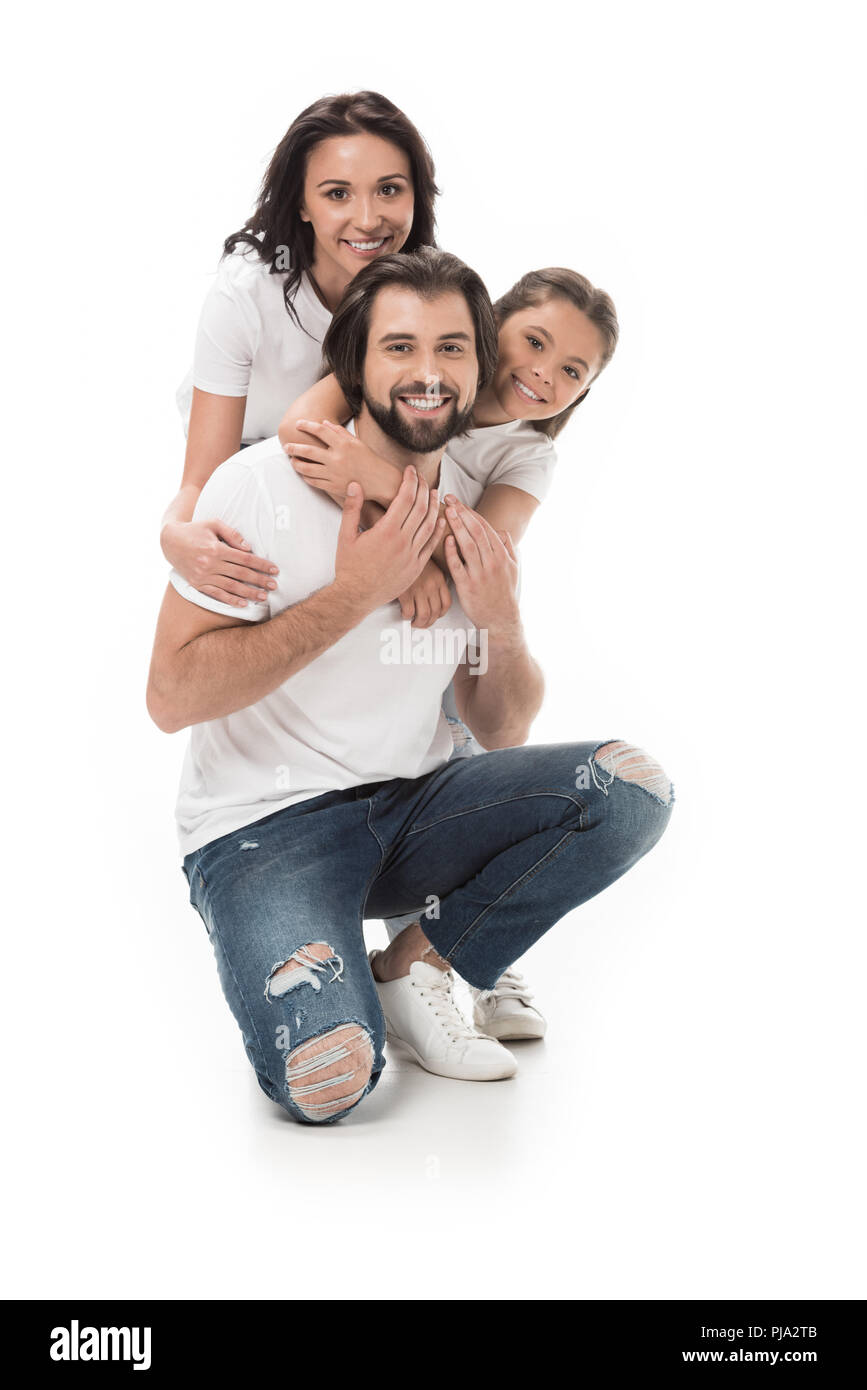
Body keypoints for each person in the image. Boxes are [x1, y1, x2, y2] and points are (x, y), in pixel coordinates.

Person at [146, 247, 673, 1124]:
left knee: (629, 791)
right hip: (264, 832)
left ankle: (417, 964)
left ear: (477, 367)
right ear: (355, 359)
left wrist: (497, 615)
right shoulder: (260, 487)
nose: (427, 373)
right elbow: (169, 700)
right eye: (398, 349)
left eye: (450, 351)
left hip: (414, 806)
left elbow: (496, 729)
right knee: (329, 1082)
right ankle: (340, 982)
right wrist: (356, 588)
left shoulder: (481, 509)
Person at [275, 266, 619, 1041]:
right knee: (392, 762)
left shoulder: (526, 455)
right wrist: (418, 529)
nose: (544, 373)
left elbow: (483, 551)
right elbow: (303, 429)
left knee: (451, 758)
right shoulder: (417, 371)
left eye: (572, 371)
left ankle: (466, 955)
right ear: (490, 328)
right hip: (349, 610)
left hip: (438, 630)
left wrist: (373, 481)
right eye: (534, 342)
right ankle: (448, 951)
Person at [161, 89, 439, 604]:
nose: (368, 219)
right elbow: (204, 476)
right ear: (301, 204)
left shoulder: (424, 292)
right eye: (337, 194)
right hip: (251, 465)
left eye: (389, 190)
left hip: (369, 464)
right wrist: (172, 533)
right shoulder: (245, 294)